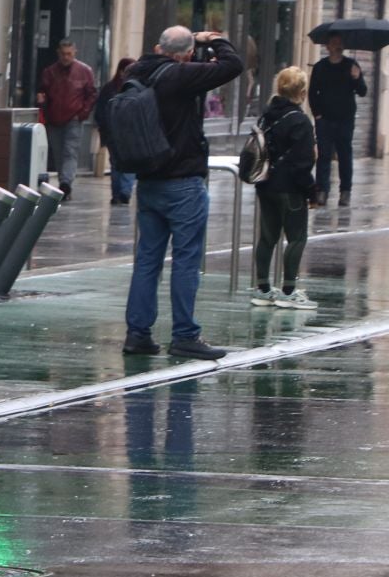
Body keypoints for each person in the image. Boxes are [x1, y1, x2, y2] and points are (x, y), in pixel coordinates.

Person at [120, 26, 244, 360]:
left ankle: (138, 333)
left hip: (148, 180)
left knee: (147, 259)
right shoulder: (181, 75)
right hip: (182, 181)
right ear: (188, 54)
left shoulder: (136, 72)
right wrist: (215, 39)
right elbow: (233, 65)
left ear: (156, 47)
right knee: (186, 259)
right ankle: (185, 334)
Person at [249, 65, 319, 311]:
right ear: (302, 92)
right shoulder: (299, 120)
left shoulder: (266, 115)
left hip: (265, 184)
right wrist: (312, 191)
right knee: (297, 237)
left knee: (267, 237)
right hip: (290, 188)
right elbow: (302, 163)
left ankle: (263, 288)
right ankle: (289, 290)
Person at [308, 35, 367, 206]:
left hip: (345, 119)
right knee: (324, 156)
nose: (338, 45)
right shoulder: (320, 67)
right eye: (335, 43)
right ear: (328, 46)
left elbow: (363, 91)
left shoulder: (351, 66)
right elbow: (313, 94)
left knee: (345, 155)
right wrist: (317, 115)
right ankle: (322, 190)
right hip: (325, 119)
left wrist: (356, 78)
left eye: (341, 42)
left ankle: (345, 191)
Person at [37, 39, 97, 201]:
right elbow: (43, 92)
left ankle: (65, 183)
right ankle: (65, 182)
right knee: (58, 152)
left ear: (74, 53)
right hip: (54, 118)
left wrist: (82, 113)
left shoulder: (84, 71)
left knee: (70, 151)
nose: (66, 57)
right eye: (63, 54)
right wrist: (44, 108)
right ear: (59, 53)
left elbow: (91, 94)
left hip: (73, 117)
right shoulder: (50, 72)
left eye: (69, 54)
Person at [93, 57, 136, 205]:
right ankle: (120, 192)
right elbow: (100, 112)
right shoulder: (111, 89)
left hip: (128, 133)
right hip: (115, 134)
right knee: (118, 164)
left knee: (124, 163)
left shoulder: (135, 89)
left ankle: (123, 192)